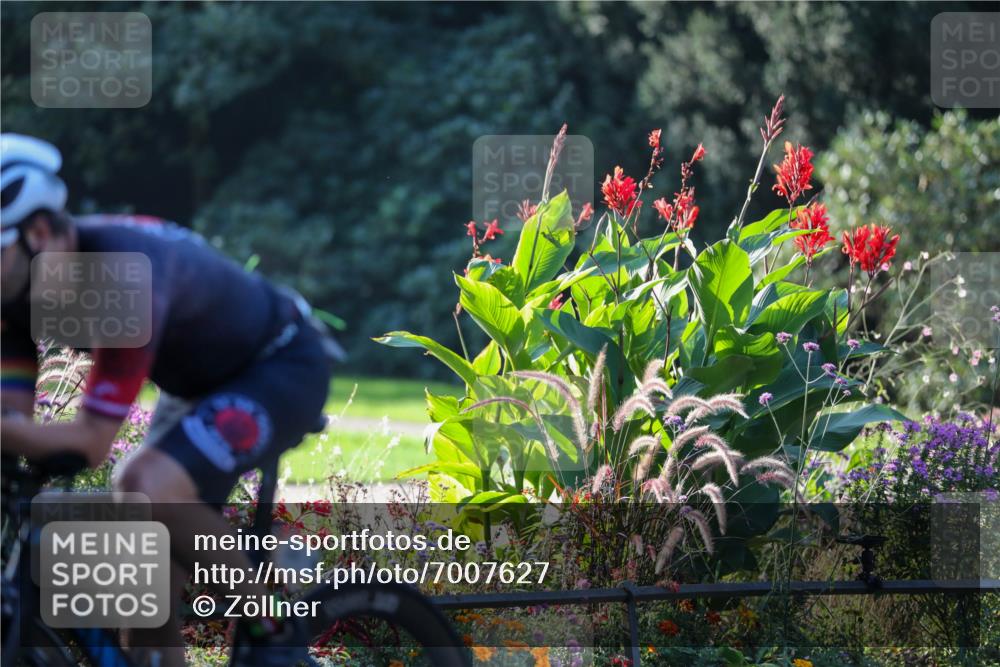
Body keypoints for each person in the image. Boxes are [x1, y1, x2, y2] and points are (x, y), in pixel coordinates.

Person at [0, 133, 338, 666]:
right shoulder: (14, 291)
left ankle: (274, 633)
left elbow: (91, 442)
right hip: (198, 389)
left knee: (141, 486)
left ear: (37, 233)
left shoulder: (120, 273)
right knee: (143, 611)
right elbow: (12, 421)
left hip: (280, 366)